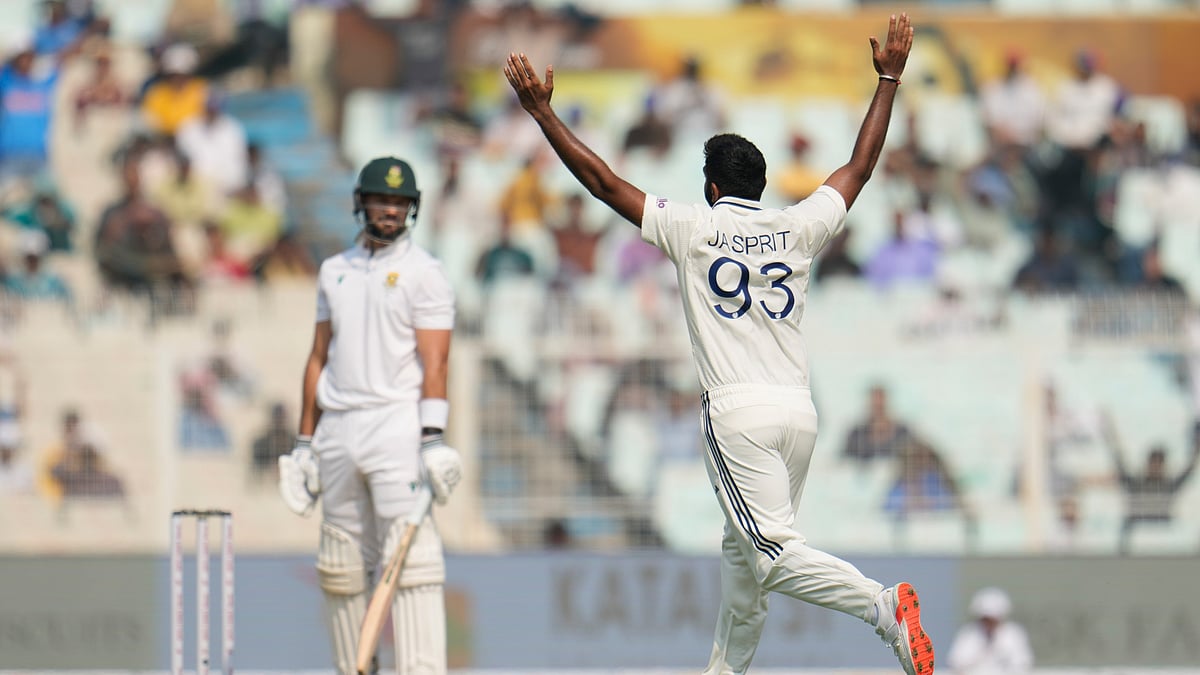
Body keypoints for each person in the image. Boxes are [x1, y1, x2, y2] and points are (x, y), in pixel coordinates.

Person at [504, 13, 933, 675]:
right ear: (760, 186)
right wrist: (888, 78)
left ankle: (882, 607)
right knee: (744, 562)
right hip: (799, 415)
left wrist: (543, 116)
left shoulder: (694, 227)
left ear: (710, 185)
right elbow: (859, 167)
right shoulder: (795, 228)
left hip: (737, 414)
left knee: (768, 552)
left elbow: (602, 183)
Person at [276, 156, 462, 675]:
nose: (390, 210)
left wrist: (432, 438)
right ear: (361, 202)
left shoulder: (426, 274)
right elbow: (318, 357)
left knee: (414, 564)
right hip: (338, 427)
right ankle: (353, 668)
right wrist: (303, 444)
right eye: (382, 199)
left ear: (412, 209)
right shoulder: (333, 271)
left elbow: (436, 361)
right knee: (339, 564)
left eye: (400, 202)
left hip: (396, 427)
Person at [946, 587, 1033, 675]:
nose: (988, 622)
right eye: (985, 618)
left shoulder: (1014, 634)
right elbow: (956, 662)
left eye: (992, 619)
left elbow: (1022, 663)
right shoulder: (969, 634)